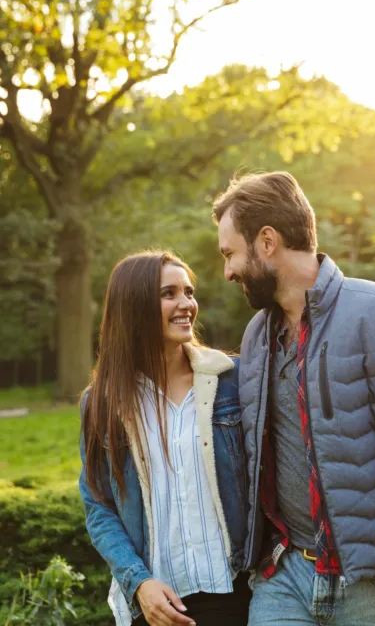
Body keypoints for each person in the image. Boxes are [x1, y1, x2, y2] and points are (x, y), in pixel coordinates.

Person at [212, 172, 375, 626]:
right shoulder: (255, 336)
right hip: (284, 578)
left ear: (267, 241)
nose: (228, 271)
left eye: (230, 253)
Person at [79, 251, 250, 626]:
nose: (186, 303)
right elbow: (99, 506)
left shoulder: (231, 381)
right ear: (134, 306)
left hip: (236, 593)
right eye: (168, 293)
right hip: (155, 606)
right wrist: (138, 583)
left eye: (188, 292)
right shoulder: (101, 403)